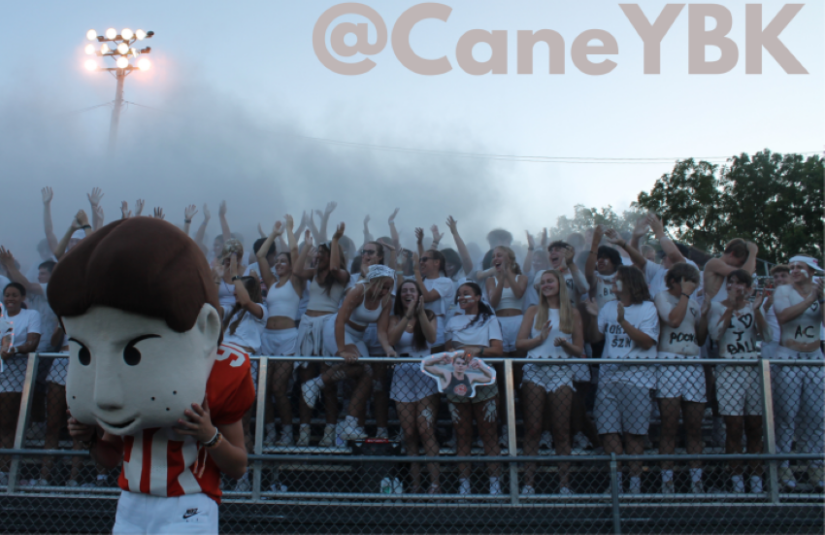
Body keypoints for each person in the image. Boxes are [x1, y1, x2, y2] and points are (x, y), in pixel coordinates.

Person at [52, 217, 255, 534]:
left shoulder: (214, 375)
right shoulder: (119, 382)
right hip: (131, 501)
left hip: (189, 502)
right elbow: (111, 456)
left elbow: (239, 466)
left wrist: (208, 435)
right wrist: (90, 439)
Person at [586, 266, 659, 495]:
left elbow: (647, 342)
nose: (613, 282)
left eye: (617, 279)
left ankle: (635, 486)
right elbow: (596, 338)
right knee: (607, 431)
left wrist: (623, 321)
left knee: (634, 434)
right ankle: (616, 484)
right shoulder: (608, 307)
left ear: (630, 282)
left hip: (637, 379)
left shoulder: (648, 308)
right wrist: (593, 315)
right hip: (608, 377)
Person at [301, 264, 395, 441]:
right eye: (383, 286)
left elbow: (382, 331)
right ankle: (317, 385)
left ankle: (349, 423)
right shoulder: (358, 290)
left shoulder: (387, 300)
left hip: (358, 337)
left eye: (389, 287)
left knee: (367, 373)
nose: (385, 290)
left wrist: (388, 349)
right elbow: (340, 321)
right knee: (363, 368)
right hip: (338, 329)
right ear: (373, 282)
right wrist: (342, 349)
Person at [516, 270, 584, 495]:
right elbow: (520, 344)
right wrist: (539, 339)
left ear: (559, 284)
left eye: (550, 281)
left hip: (561, 371)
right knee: (533, 429)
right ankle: (528, 484)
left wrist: (565, 345)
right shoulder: (534, 311)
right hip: (535, 370)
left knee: (562, 430)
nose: (545, 285)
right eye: (542, 282)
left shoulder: (572, 313)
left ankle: (564, 485)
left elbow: (579, 351)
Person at [704, 269, 768, 494]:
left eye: (740, 283)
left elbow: (766, 335)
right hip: (729, 369)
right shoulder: (718, 306)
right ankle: (737, 479)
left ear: (748, 287)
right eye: (731, 282)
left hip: (752, 368)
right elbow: (715, 334)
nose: (734, 286)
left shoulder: (754, 306)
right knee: (733, 427)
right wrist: (730, 308)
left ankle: (757, 479)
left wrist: (757, 310)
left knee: (755, 427)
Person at [291, 223, 350, 446]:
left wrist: (334, 240)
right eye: (317, 254)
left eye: (321, 254)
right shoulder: (314, 273)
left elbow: (335, 268)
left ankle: (329, 431)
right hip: (307, 323)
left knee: (327, 381)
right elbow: (296, 271)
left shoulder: (341, 275)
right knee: (306, 376)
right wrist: (307, 247)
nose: (318, 257)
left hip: (327, 324)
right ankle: (304, 432)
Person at [444, 282, 504, 496]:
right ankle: (464, 486)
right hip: (458, 380)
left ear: (478, 297)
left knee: (489, 434)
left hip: (484, 380)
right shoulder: (452, 321)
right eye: (459, 295)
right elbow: (448, 350)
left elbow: (498, 350)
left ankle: (495, 485)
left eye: (466, 294)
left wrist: (472, 350)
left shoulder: (490, 319)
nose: (461, 298)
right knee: (462, 435)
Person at [771, 256, 824, 490]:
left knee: (816, 415)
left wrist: (819, 298)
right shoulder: (783, 291)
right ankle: (782, 466)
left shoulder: (819, 291)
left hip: (814, 358)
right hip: (789, 357)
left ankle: (816, 466)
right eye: (791, 267)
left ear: (812, 271)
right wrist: (811, 298)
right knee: (786, 415)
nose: (794, 271)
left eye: (799, 268)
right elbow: (783, 316)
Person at [653, 263, 706, 494]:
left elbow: (701, 338)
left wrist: (706, 312)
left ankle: (696, 481)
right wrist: (684, 294)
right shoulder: (662, 297)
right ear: (675, 280)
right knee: (669, 426)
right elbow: (673, 320)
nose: (691, 286)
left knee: (695, 427)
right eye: (687, 281)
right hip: (669, 362)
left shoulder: (694, 303)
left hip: (693, 363)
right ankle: (667, 481)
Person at [256, 220, 303, 447]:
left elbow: (295, 250)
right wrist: (273, 233)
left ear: (292, 265)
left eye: (284, 262)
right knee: (264, 390)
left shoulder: (296, 282)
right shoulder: (272, 283)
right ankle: (270, 431)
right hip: (267, 338)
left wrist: (290, 231)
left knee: (278, 388)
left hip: (287, 339)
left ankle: (286, 432)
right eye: (278, 261)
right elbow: (260, 256)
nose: (279, 264)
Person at [388, 281, 439, 493]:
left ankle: (435, 484)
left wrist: (419, 314)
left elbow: (431, 338)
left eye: (413, 290)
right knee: (409, 433)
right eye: (405, 291)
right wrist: (408, 315)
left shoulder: (430, 315)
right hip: (402, 376)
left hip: (425, 375)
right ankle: (416, 484)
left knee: (425, 430)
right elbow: (392, 339)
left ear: (419, 295)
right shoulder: (396, 318)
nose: (408, 293)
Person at [0, 282, 42, 486]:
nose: (10, 298)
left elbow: (33, 342)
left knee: (7, 424)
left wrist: (14, 350)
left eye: (14, 295)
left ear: (23, 297)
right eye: (7, 295)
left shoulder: (31, 315)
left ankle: (6, 472)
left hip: (16, 376)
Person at [412, 243, 454, 353]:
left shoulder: (445, 281)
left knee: (433, 356)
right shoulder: (420, 280)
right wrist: (420, 242)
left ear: (436, 262)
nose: (421, 262)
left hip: (436, 323)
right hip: (416, 322)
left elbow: (427, 297)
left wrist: (416, 271)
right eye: (420, 260)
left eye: (425, 259)